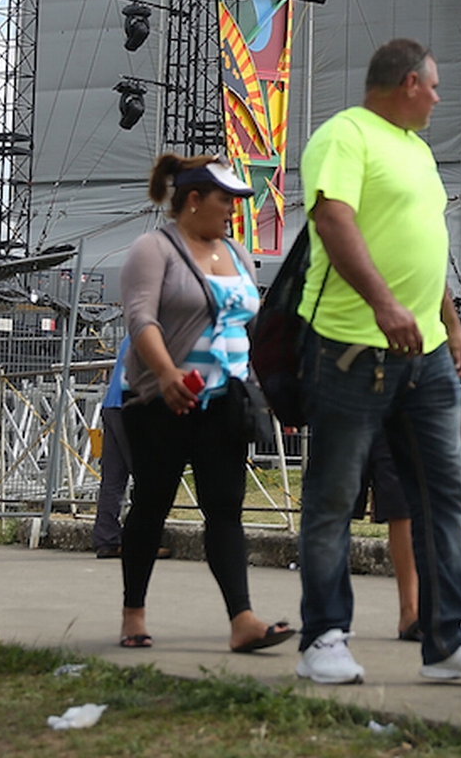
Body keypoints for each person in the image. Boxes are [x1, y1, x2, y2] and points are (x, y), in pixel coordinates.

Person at [293, 38, 461, 685]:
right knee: (334, 495)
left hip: (426, 356)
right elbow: (333, 220)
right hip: (349, 348)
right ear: (408, 83)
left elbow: (424, 246)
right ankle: (324, 638)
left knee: (443, 493)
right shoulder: (345, 136)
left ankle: (449, 639)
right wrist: (384, 304)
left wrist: (450, 325)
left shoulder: (418, 152)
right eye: (435, 86)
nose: (439, 98)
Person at [116, 153, 295, 655]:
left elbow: (250, 326)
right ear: (193, 200)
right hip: (163, 400)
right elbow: (141, 319)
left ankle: (243, 620)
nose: (234, 210)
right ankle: (133, 614)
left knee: (225, 508)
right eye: (226, 200)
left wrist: (271, 386)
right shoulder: (154, 249)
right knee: (151, 505)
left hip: (225, 401)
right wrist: (166, 373)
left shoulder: (236, 253)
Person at [354, 429, 421, 640]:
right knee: (331, 507)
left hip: (395, 417)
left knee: (403, 506)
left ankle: (411, 612)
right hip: (343, 412)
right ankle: (324, 619)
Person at [92, 332, 132, 560]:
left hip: (111, 404)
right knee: (148, 477)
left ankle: (106, 540)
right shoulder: (159, 330)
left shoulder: (134, 331)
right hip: (133, 406)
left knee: (112, 479)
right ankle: (144, 540)